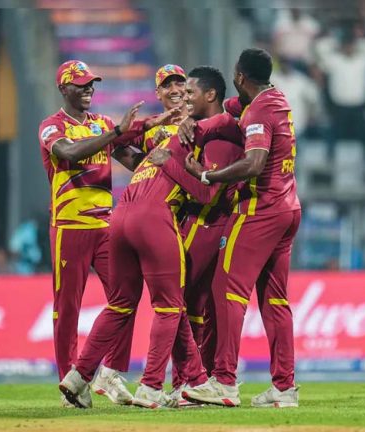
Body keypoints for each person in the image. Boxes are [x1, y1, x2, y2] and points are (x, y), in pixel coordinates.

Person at [57, 67, 235, 409]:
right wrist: (190, 169)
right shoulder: (196, 135)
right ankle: (152, 386)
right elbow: (205, 194)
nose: (182, 95)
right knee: (170, 307)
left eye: (187, 89)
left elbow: (121, 147)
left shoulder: (165, 138)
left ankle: (79, 376)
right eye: (175, 88)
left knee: (121, 304)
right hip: (155, 218)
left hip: (121, 214)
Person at [182, 48, 301, 408]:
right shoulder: (275, 100)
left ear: (239, 76)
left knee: (226, 288)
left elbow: (254, 163)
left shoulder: (259, 111)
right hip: (288, 207)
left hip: (259, 209)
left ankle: (224, 381)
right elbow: (225, 114)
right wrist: (195, 123)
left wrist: (208, 175)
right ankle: (284, 388)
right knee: (274, 300)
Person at [38, 60, 153, 407]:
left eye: (92, 83)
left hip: (105, 226)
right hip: (69, 227)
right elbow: (69, 152)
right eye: (82, 83)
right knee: (67, 309)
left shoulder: (102, 124)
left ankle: (110, 373)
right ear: (64, 88)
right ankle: (71, 383)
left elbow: (132, 160)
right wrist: (117, 132)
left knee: (126, 296)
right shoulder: (51, 126)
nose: (89, 88)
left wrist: (160, 153)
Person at [166, 67, 244, 402]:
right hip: (206, 224)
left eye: (190, 93)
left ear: (210, 95)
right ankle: (197, 379)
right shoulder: (207, 130)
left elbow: (209, 194)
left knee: (174, 302)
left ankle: (187, 381)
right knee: (197, 305)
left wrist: (169, 164)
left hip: (206, 223)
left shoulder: (220, 138)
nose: (184, 98)